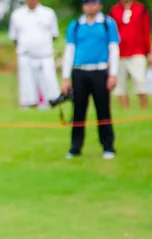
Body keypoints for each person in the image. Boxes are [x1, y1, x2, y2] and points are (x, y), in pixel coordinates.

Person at [61, 0, 120, 159]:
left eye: (93, 3)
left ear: (100, 5)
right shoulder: (76, 25)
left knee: (103, 110)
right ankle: (75, 147)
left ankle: (108, 146)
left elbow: (113, 48)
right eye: (87, 4)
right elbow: (69, 50)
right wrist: (65, 77)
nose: (90, 7)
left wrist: (113, 74)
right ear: (83, 6)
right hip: (80, 72)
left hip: (100, 71)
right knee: (78, 110)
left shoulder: (107, 24)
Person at [8, 0, 61, 109]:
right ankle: (27, 106)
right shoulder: (17, 15)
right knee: (27, 84)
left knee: (48, 82)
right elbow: (14, 37)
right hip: (25, 55)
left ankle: (48, 104)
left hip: (45, 55)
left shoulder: (48, 13)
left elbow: (54, 35)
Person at [109, 0, 151, 109]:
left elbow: (146, 31)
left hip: (137, 51)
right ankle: (125, 110)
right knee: (120, 86)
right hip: (119, 53)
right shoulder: (114, 10)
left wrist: (149, 52)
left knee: (140, 82)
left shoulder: (140, 9)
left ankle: (144, 108)